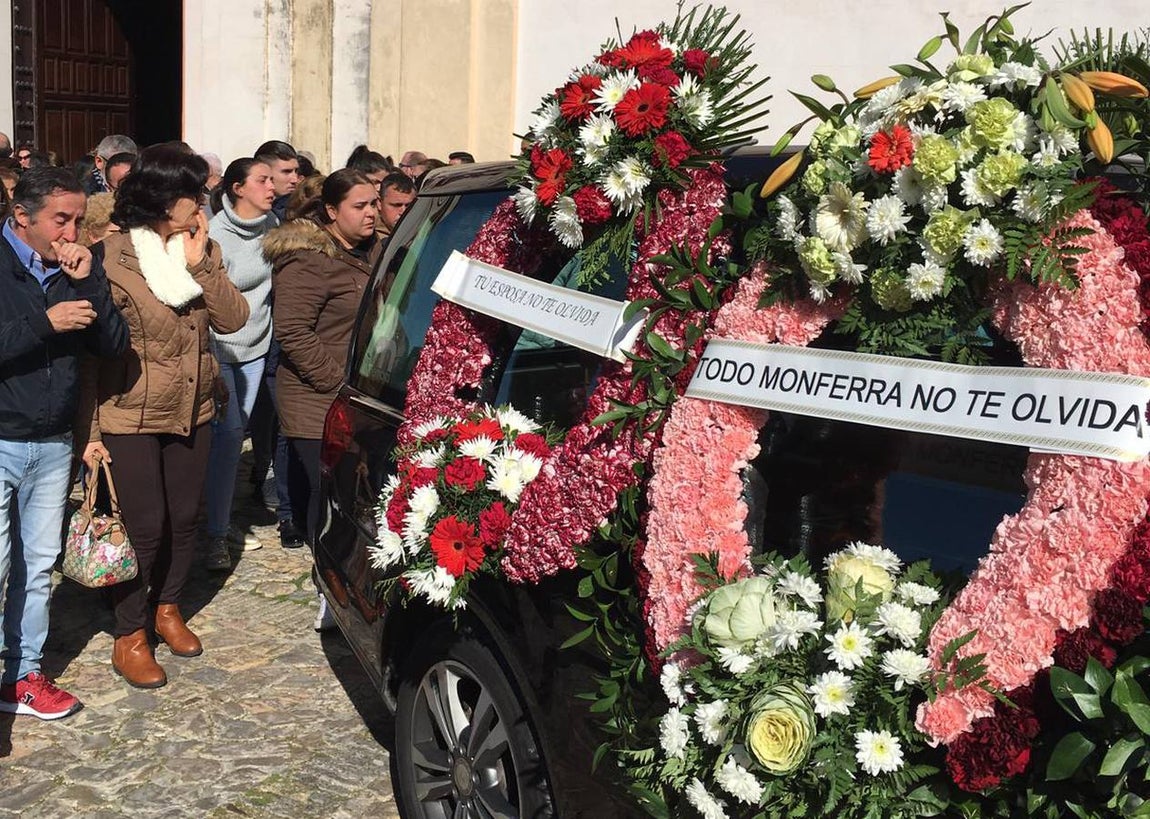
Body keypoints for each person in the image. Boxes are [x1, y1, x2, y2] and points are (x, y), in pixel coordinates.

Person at [77, 144, 249, 689]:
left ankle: (167, 607)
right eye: (193, 192)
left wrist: (200, 265)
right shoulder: (108, 256)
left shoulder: (202, 248)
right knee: (145, 528)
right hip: (127, 411)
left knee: (186, 518)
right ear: (159, 196)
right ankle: (130, 633)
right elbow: (88, 354)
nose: (203, 200)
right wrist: (90, 431)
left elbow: (233, 319)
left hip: (194, 407)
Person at [0, 167, 128, 719]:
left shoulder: (77, 267)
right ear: (22, 217)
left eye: (78, 219)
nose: (72, 231)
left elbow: (115, 345)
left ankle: (22, 675)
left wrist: (88, 282)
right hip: (2, 435)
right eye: (61, 219)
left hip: (53, 441)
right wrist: (43, 324)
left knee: (38, 565)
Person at [266, 170, 379, 545]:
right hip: (315, 398)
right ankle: (325, 565)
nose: (371, 213)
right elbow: (293, 331)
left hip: (360, 392)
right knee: (327, 489)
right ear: (331, 211)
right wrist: (336, 383)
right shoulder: (308, 261)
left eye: (374, 204)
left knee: (355, 487)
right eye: (359, 206)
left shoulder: (376, 249)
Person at [201, 159, 279, 571]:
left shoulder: (272, 226)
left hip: (257, 347)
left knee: (230, 440)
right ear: (237, 188)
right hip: (219, 348)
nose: (272, 187)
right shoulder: (215, 235)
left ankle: (216, 516)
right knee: (230, 436)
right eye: (263, 180)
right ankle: (215, 532)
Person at [255, 140, 301, 221]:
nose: (295, 179)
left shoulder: (303, 210)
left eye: (296, 171)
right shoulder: (247, 209)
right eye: (286, 172)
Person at [377, 172, 415, 238]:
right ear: (379, 203)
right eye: (397, 205)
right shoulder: (370, 239)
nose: (403, 211)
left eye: (409, 206)